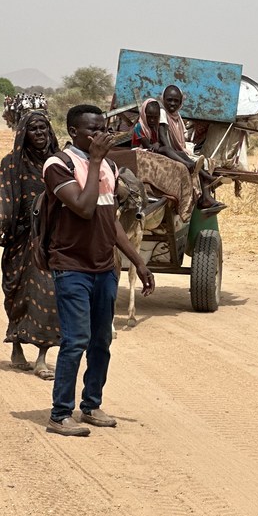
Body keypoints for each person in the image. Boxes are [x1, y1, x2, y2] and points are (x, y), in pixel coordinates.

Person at [42, 104, 155, 437]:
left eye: (103, 129)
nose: (101, 136)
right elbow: (85, 207)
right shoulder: (58, 165)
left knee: (101, 341)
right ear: (74, 132)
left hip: (104, 268)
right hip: (72, 266)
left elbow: (110, 220)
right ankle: (60, 414)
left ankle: (91, 405)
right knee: (76, 341)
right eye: (93, 131)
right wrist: (93, 162)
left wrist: (137, 260)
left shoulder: (109, 166)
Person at [0, 111, 61, 380]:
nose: (40, 133)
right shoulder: (11, 164)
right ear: (24, 133)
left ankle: (42, 358)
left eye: (44, 127)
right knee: (16, 294)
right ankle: (17, 347)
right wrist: (7, 229)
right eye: (34, 128)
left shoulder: (59, 163)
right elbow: (4, 199)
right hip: (20, 240)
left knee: (47, 295)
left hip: (51, 241)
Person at [131, 98, 224, 214]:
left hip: (151, 152)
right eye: (149, 117)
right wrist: (156, 144)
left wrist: (157, 144)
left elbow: (156, 144)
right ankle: (192, 167)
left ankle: (200, 171)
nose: (151, 120)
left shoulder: (154, 126)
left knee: (180, 153)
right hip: (140, 153)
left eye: (155, 117)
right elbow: (147, 145)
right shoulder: (140, 127)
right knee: (166, 149)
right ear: (144, 115)